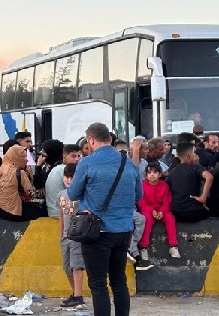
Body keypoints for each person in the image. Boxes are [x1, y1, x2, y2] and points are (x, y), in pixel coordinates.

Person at [68, 122, 141, 316]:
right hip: (124, 230)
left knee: (98, 283)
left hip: (97, 233)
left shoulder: (87, 163)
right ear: (110, 138)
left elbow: (73, 193)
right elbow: (138, 196)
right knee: (119, 281)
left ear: (91, 140)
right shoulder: (128, 163)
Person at [58, 163, 87, 309]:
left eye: (72, 177)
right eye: (66, 176)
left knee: (77, 266)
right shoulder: (61, 194)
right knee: (67, 267)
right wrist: (61, 234)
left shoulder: (82, 195)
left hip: (78, 236)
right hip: (65, 236)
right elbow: (62, 215)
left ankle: (78, 296)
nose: (69, 180)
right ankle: (74, 293)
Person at [138, 164, 180, 259]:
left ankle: (173, 246)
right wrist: (152, 211)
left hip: (162, 211)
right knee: (146, 219)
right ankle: (144, 247)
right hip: (148, 211)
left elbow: (167, 202)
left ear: (160, 174)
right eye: (149, 172)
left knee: (170, 218)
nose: (152, 175)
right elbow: (142, 203)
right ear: (146, 175)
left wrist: (162, 212)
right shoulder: (142, 186)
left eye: (155, 172)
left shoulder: (164, 186)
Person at [0, 145, 44, 221]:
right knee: (43, 210)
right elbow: (31, 194)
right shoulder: (19, 172)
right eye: (23, 157)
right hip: (12, 212)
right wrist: (29, 177)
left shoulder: (2, 167)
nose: (26, 160)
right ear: (15, 157)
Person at [167, 142, 213, 223]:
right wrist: (203, 197)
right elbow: (209, 177)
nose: (195, 155)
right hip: (194, 212)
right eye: (194, 153)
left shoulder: (172, 171)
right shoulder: (196, 168)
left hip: (177, 212)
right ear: (189, 155)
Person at [45, 144, 82, 218]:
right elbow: (76, 192)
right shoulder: (66, 170)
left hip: (53, 210)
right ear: (64, 157)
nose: (77, 159)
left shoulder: (57, 168)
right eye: (73, 156)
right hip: (62, 213)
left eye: (79, 156)